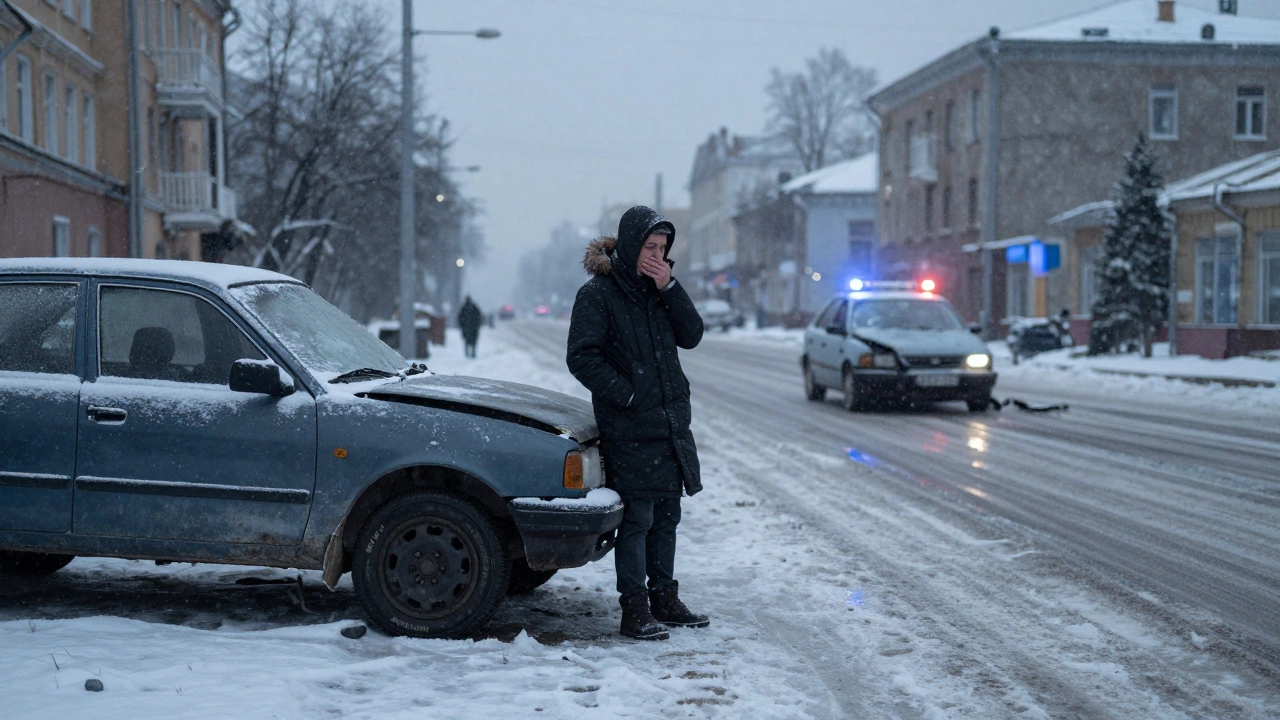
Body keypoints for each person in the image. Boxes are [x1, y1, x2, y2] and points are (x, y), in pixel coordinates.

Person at [567, 206, 709, 641]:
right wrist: (628, 395)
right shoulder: (598, 294)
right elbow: (582, 357)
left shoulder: (659, 289)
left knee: (668, 514)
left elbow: (693, 334)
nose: (658, 256)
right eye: (651, 247)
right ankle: (634, 609)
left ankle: (665, 597)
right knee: (638, 518)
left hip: (668, 423)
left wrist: (670, 287)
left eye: (664, 249)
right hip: (629, 425)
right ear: (630, 246)